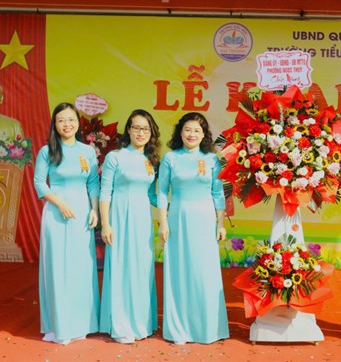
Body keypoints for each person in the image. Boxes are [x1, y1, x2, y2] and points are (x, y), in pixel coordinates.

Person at [158, 112, 229, 344]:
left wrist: (220, 223)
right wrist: (163, 222)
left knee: (204, 272)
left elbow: (218, 193)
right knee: (180, 271)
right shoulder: (170, 158)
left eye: (197, 131)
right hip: (178, 219)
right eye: (188, 129)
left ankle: (207, 328)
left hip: (205, 220)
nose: (192, 134)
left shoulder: (211, 160)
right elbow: (162, 191)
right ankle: (179, 329)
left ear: (204, 134)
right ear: (180, 132)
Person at [33, 102, 100, 345]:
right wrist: (60, 204)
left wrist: (95, 210)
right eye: (61, 120)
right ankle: (58, 325)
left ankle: (82, 324)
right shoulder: (47, 151)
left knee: (81, 268)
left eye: (71, 119)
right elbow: (39, 183)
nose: (67, 124)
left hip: (82, 214)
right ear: (55, 124)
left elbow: (93, 182)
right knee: (57, 268)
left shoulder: (87, 151)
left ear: (78, 122)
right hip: (56, 214)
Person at [99, 109, 161, 344]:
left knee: (141, 270)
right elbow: (106, 192)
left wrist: (171, 209)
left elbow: (151, 195)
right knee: (121, 269)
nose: (141, 133)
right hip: (119, 218)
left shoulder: (151, 161)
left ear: (151, 133)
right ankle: (121, 325)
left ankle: (141, 323)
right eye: (136, 128)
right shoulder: (115, 157)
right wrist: (106, 224)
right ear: (128, 130)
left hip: (142, 221)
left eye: (146, 129)